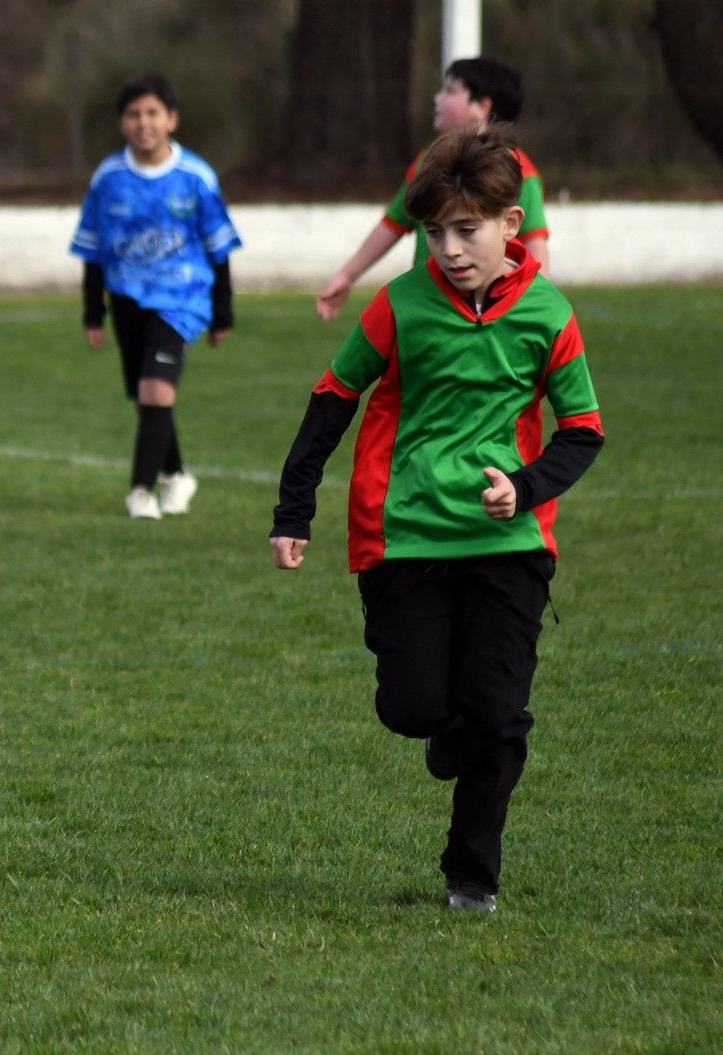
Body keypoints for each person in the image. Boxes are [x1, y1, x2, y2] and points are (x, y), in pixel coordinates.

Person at [269, 126, 603, 913]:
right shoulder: (400, 304)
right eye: (434, 233)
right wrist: (294, 509)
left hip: (509, 541)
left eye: (466, 230)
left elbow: (583, 429)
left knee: (499, 713)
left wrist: (524, 486)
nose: (449, 250)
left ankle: (471, 877)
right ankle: (454, 730)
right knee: (412, 707)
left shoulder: (549, 313)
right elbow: (333, 398)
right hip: (404, 537)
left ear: (510, 223)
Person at [69, 72, 243, 520]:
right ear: (122, 122)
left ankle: (141, 493)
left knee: (155, 388)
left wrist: (223, 313)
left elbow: (219, 249)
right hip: (126, 299)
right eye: (134, 114)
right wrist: (93, 313)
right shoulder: (108, 178)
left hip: (182, 300)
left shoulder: (195, 177)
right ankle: (178, 475)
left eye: (153, 113)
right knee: (147, 395)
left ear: (172, 120)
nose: (144, 122)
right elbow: (93, 250)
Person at [316, 56, 549, 322]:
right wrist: (347, 275)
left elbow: (536, 249)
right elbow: (393, 223)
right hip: (426, 309)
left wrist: (536, 309)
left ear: (482, 107)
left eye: (450, 91)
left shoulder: (519, 173)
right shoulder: (430, 161)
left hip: (483, 319)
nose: (438, 98)